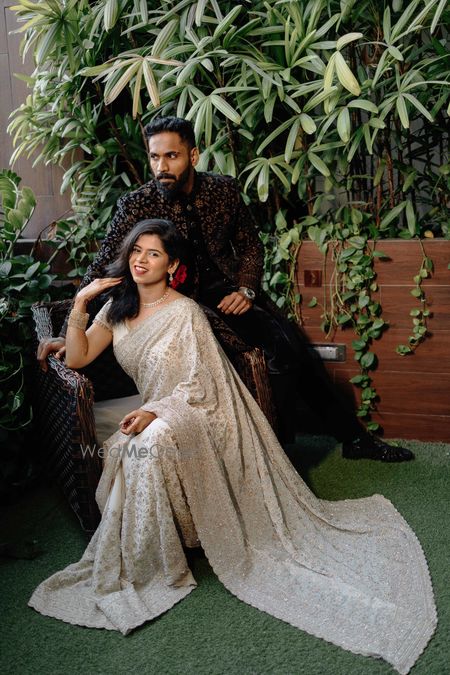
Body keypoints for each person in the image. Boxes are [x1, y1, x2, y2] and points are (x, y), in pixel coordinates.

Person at [29, 220, 436, 673]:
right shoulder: (116, 308)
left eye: (154, 253)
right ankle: (147, 561)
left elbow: (201, 385)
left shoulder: (185, 313)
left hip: (195, 411)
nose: (141, 260)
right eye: (136, 250)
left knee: (151, 436)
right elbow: (79, 357)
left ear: (173, 266)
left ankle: (165, 550)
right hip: (154, 409)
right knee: (142, 439)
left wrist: (157, 411)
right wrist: (81, 303)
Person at [37, 116, 413, 461]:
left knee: (288, 347)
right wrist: (69, 331)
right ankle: (267, 450)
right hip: (174, 304)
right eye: (154, 157)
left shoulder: (223, 190)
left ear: (193, 155)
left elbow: (250, 246)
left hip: (227, 292)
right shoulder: (136, 204)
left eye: (171, 156)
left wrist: (246, 289)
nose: (161, 167)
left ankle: (342, 441)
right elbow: (105, 264)